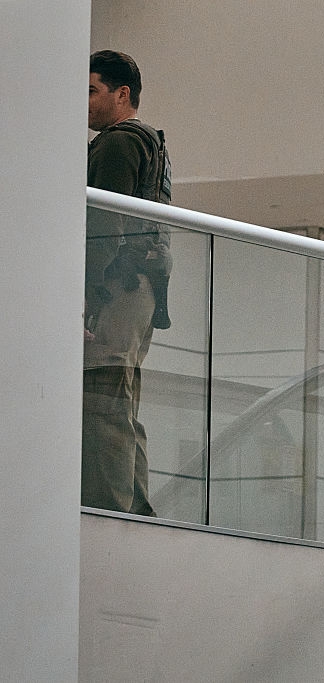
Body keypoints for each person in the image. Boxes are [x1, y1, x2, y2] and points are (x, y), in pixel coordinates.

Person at [83, 50, 171, 514]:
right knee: (121, 405)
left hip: (115, 291)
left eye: (92, 91)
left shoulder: (118, 142)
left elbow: (104, 226)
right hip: (140, 292)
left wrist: (83, 301)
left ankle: (108, 512)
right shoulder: (150, 141)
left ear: (122, 94)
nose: (84, 102)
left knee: (102, 405)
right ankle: (134, 511)